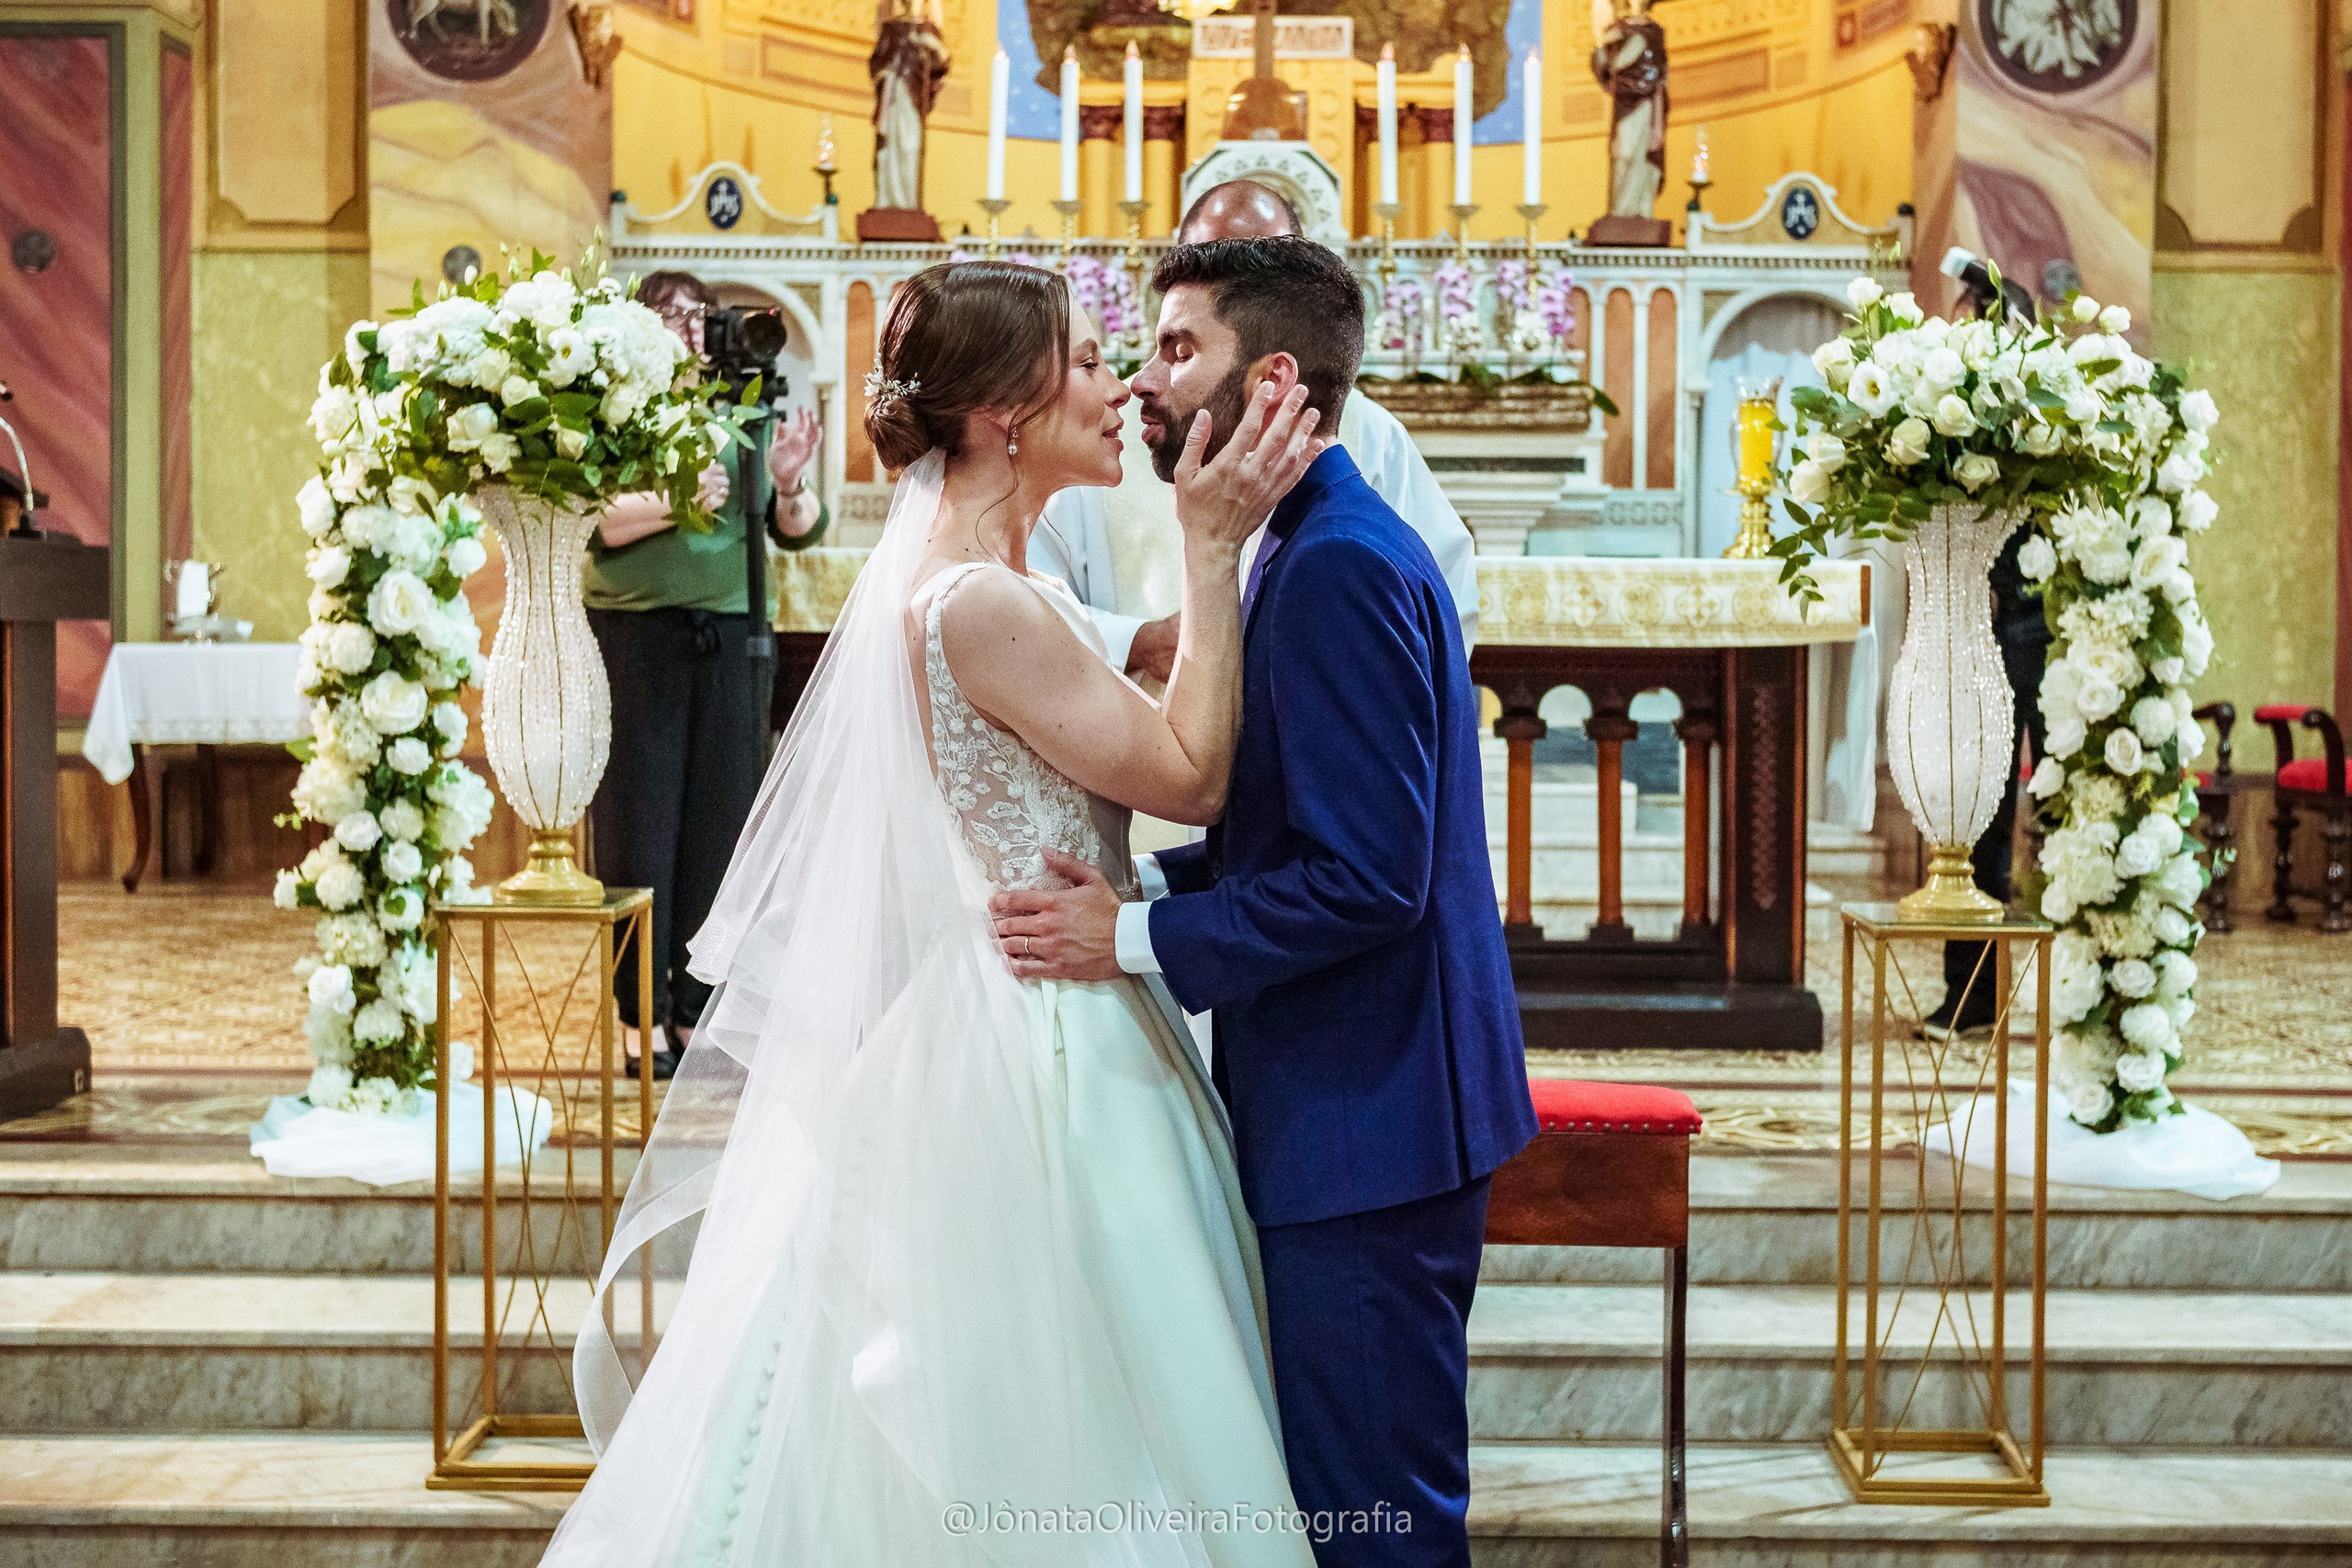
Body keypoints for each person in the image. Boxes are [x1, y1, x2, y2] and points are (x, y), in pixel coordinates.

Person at [541, 260, 1329, 1564]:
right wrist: (1208, 549)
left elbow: (1096, 648)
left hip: (1045, 984)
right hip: (1038, 1035)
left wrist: (1163, 619)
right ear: (1005, 413)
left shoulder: (998, 579)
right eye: (1088, 362)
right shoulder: (975, 600)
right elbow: (1191, 775)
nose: (1120, 387)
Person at [994, 237, 1539, 1568]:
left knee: (1379, 1517)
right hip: (1365, 1103)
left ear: (1275, 379)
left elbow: (1369, 879)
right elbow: (1304, 830)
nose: (1146, 381)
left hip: (1370, 1121)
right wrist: (1142, 884)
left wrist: (1128, 937)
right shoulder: (1310, 541)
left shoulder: (1337, 562)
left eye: (1178, 349)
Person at [1038, 179, 1479, 681]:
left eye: (1259, 269)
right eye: (1211, 263)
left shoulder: (1368, 434)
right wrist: (1136, 642)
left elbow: (1441, 603)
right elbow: (1031, 600)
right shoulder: (1108, 426)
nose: (1233, 283)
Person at [584, 269, 826, 1077]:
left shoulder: (743, 407)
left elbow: (795, 527)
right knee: (640, 826)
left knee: (721, 827)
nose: (686, 327)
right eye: (667, 314)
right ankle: (638, 1012)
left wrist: (788, 480)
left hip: (730, 635)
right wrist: (677, 498)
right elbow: (595, 520)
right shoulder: (613, 406)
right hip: (637, 634)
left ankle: (694, 1007)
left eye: (696, 314)